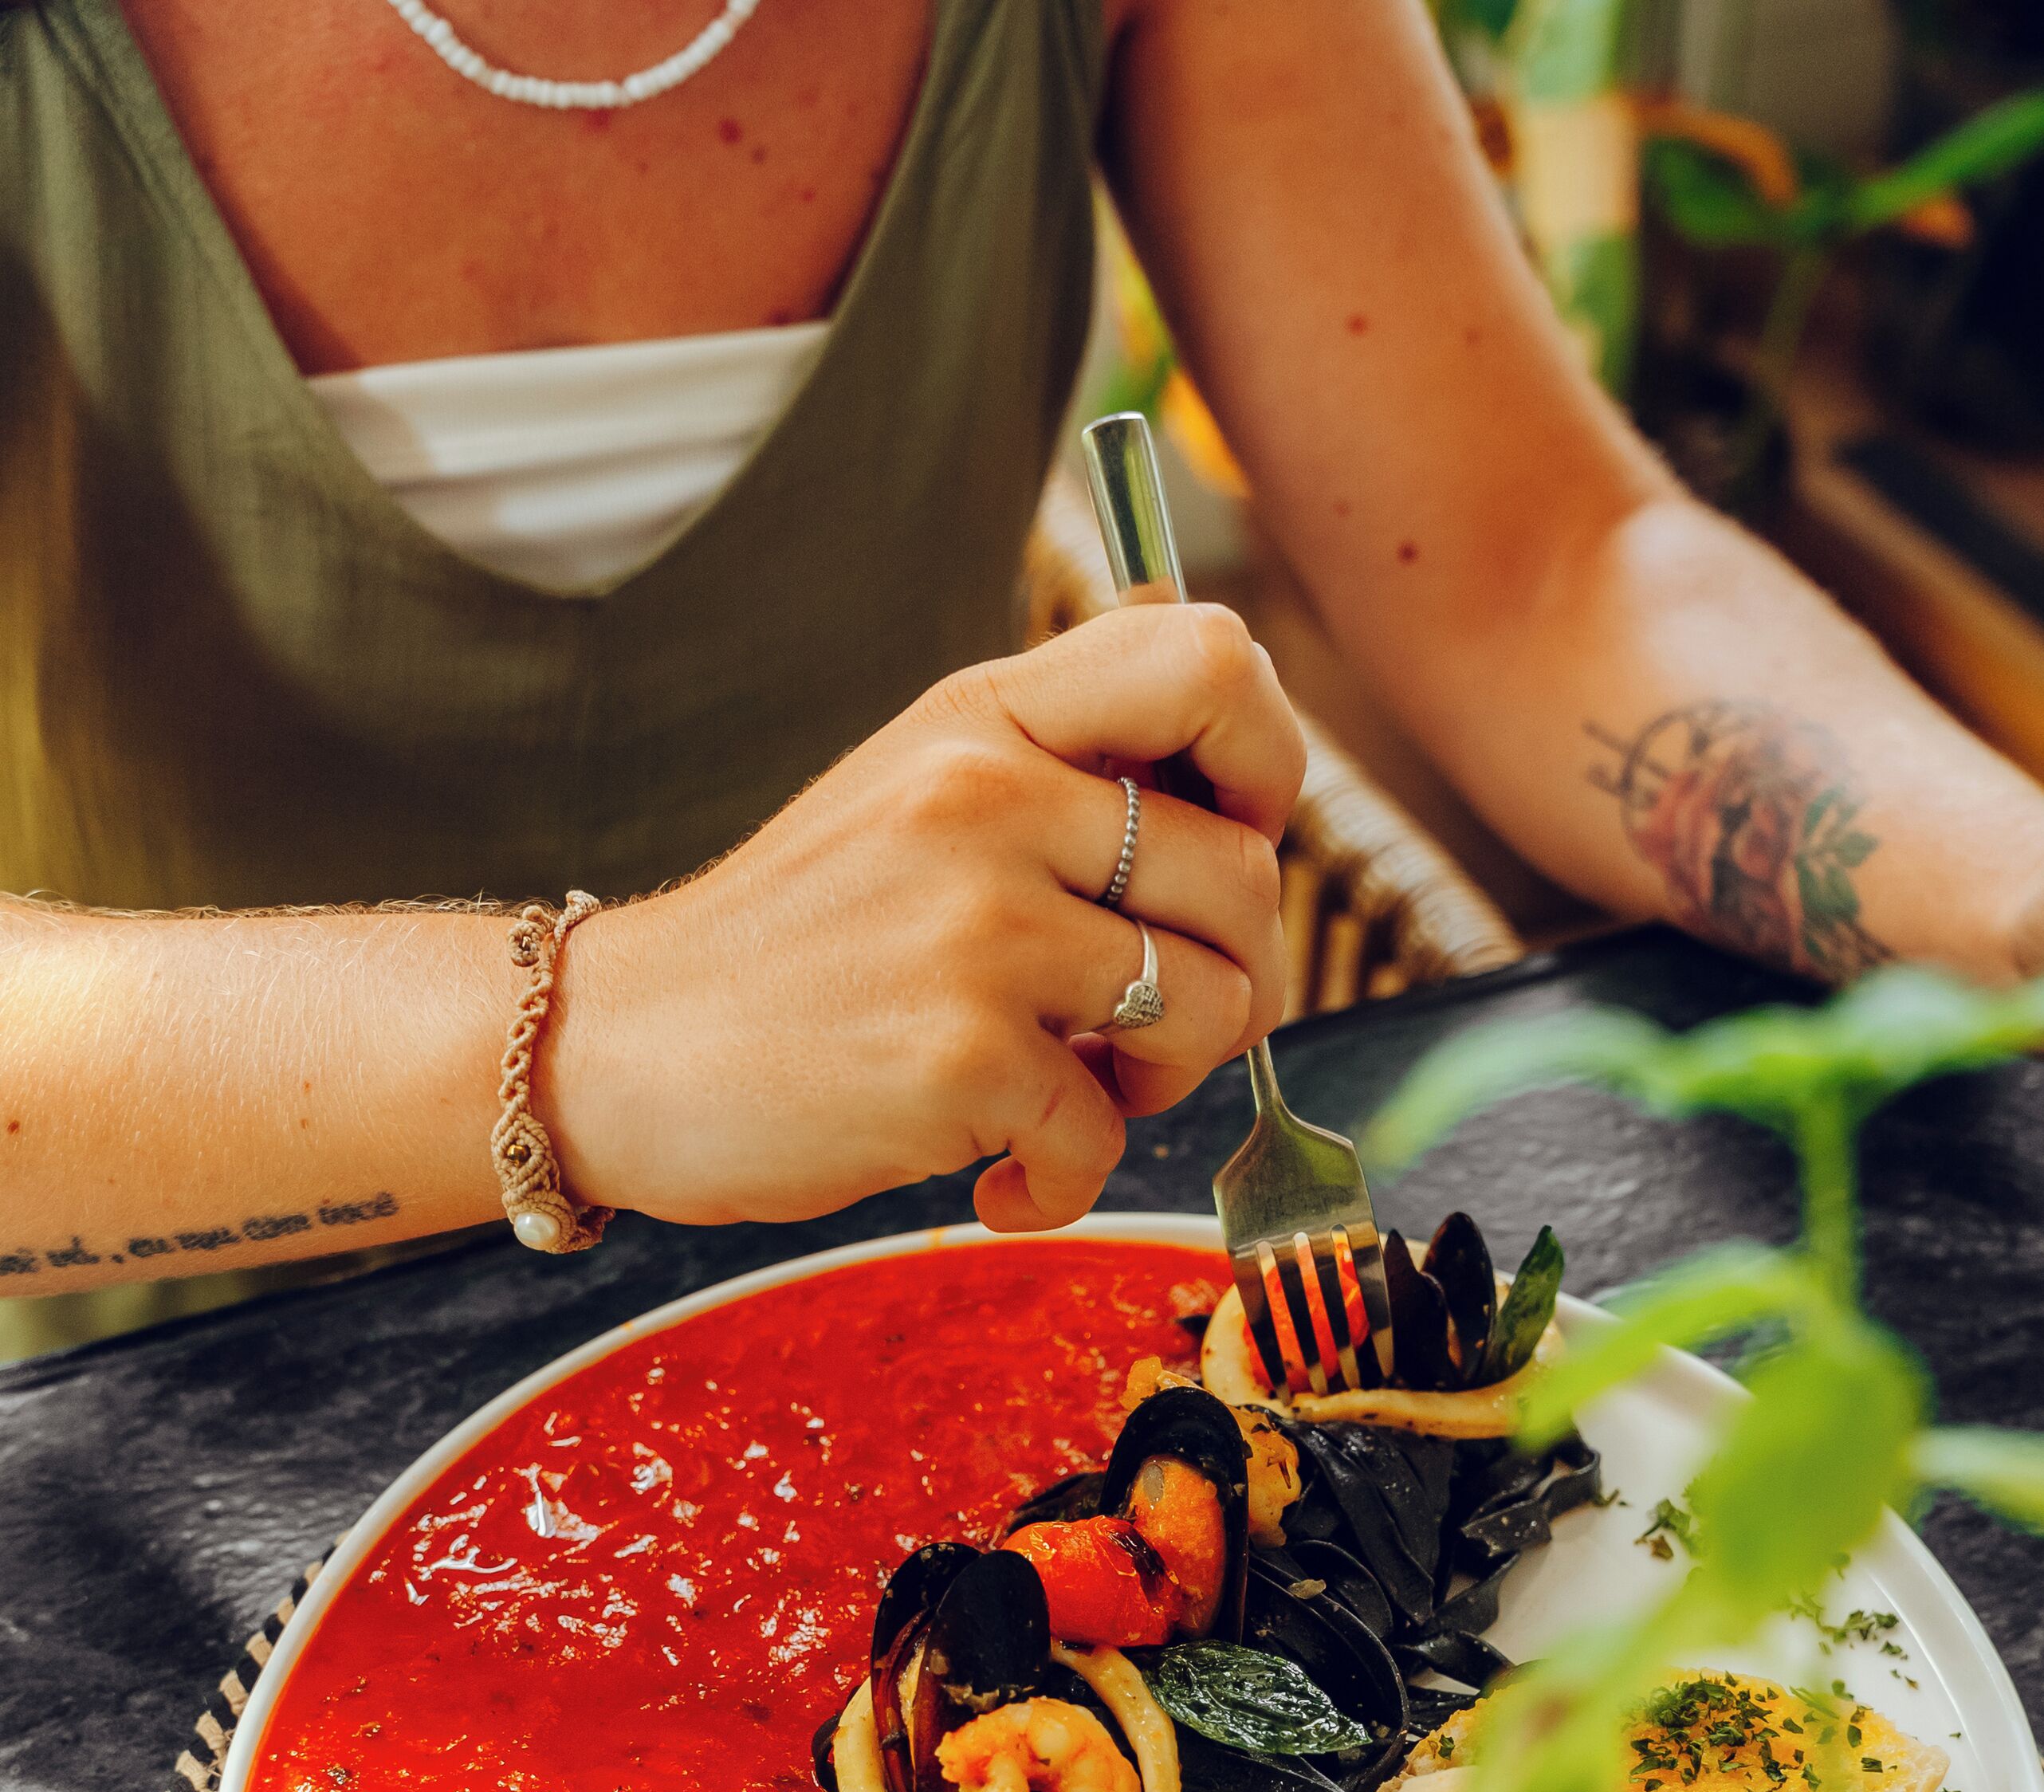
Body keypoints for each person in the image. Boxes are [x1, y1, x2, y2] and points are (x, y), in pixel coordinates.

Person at [4, 0, 2042, 1303]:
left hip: (968, 1264)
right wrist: (604, 1031)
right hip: (160, 1373)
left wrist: (2011, 895)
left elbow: (1535, 560)